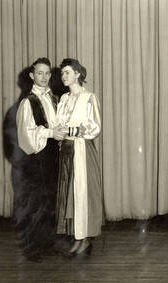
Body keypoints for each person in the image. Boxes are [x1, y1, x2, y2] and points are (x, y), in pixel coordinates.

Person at [15, 57, 67, 262]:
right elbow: (25, 136)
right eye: (40, 73)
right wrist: (50, 133)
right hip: (37, 159)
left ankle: (47, 243)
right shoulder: (28, 103)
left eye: (47, 73)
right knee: (36, 203)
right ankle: (32, 248)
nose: (44, 77)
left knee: (51, 201)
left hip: (53, 157)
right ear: (31, 75)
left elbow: (58, 125)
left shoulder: (53, 99)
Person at [55, 58, 103, 258]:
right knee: (69, 194)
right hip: (66, 151)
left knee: (82, 193)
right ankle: (77, 237)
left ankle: (85, 238)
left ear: (77, 74)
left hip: (82, 149)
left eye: (67, 72)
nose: (63, 76)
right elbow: (58, 123)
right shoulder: (64, 99)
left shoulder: (88, 97)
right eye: (62, 73)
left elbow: (95, 127)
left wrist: (70, 130)